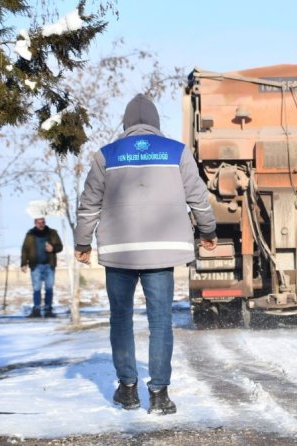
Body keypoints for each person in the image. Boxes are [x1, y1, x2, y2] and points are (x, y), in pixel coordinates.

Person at [74, 94, 217, 415]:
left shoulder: (105, 155)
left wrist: (82, 244)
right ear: (155, 124)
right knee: (161, 322)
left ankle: (127, 390)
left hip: (118, 251)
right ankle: (159, 396)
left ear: (126, 125)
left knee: (121, 320)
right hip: (161, 253)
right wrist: (208, 232)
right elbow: (199, 200)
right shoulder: (177, 153)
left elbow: (88, 207)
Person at [21, 217, 63, 318]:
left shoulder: (52, 233)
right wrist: (23, 264)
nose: (41, 224)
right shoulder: (30, 234)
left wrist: (53, 248)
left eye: (42, 222)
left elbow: (60, 246)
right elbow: (25, 249)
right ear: (35, 223)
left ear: (45, 222)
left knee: (49, 288)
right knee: (36, 289)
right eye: (38, 222)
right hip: (35, 266)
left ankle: (48, 310)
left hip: (49, 265)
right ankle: (36, 310)